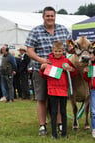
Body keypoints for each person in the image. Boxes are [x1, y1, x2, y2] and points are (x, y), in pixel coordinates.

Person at [25, 6, 70, 136]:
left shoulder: (63, 30)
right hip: (42, 70)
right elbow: (29, 51)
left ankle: (60, 124)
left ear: (55, 16)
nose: (50, 18)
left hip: (60, 71)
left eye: (52, 16)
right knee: (41, 98)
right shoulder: (36, 31)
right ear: (43, 17)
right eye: (47, 16)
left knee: (60, 97)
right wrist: (41, 60)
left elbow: (71, 48)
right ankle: (42, 126)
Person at [40, 41, 77, 139]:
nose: (57, 53)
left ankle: (64, 133)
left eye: (60, 51)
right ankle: (54, 133)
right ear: (53, 50)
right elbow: (43, 75)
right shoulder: (48, 61)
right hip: (52, 89)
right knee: (53, 112)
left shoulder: (66, 61)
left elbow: (74, 72)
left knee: (63, 112)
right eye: (56, 51)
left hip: (63, 90)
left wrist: (70, 69)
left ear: (63, 51)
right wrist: (42, 68)